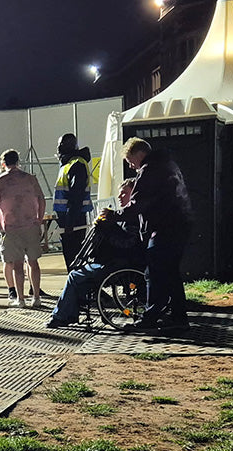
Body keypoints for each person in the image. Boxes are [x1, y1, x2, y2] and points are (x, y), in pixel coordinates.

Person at [119, 137, 193, 331]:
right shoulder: (169, 164)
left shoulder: (149, 170)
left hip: (164, 228)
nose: (131, 166)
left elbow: (138, 203)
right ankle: (178, 317)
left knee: (154, 272)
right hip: (180, 225)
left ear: (139, 154)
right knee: (171, 273)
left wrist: (114, 216)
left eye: (129, 160)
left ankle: (150, 318)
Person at [46, 179, 142, 328]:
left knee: (75, 276)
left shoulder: (132, 219)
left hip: (118, 264)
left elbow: (128, 244)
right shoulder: (126, 216)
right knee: (78, 275)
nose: (120, 197)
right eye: (120, 193)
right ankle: (68, 312)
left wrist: (107, 228)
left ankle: (62, 315)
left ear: (134, 195)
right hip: (116, 262)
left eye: (124, 193)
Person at [0, 148, 46, 308]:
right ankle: (36, 296)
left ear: (3, 163)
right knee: (33, 262)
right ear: (18, 162)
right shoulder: (30, 179)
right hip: (30, 224)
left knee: (17, 264)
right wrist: (39, 219)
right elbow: (41, 199)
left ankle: (20, 299)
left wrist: (0, 227)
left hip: (11, 227)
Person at [52, 132, 94, 271]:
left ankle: (79, 289)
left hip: (73, 221)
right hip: (67, 219)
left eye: (60, 145)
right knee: (70, 257)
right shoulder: (67, 164)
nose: (58, 148)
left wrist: (70, 221)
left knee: (74, 257)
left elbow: (76, 197)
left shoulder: (76, 164)